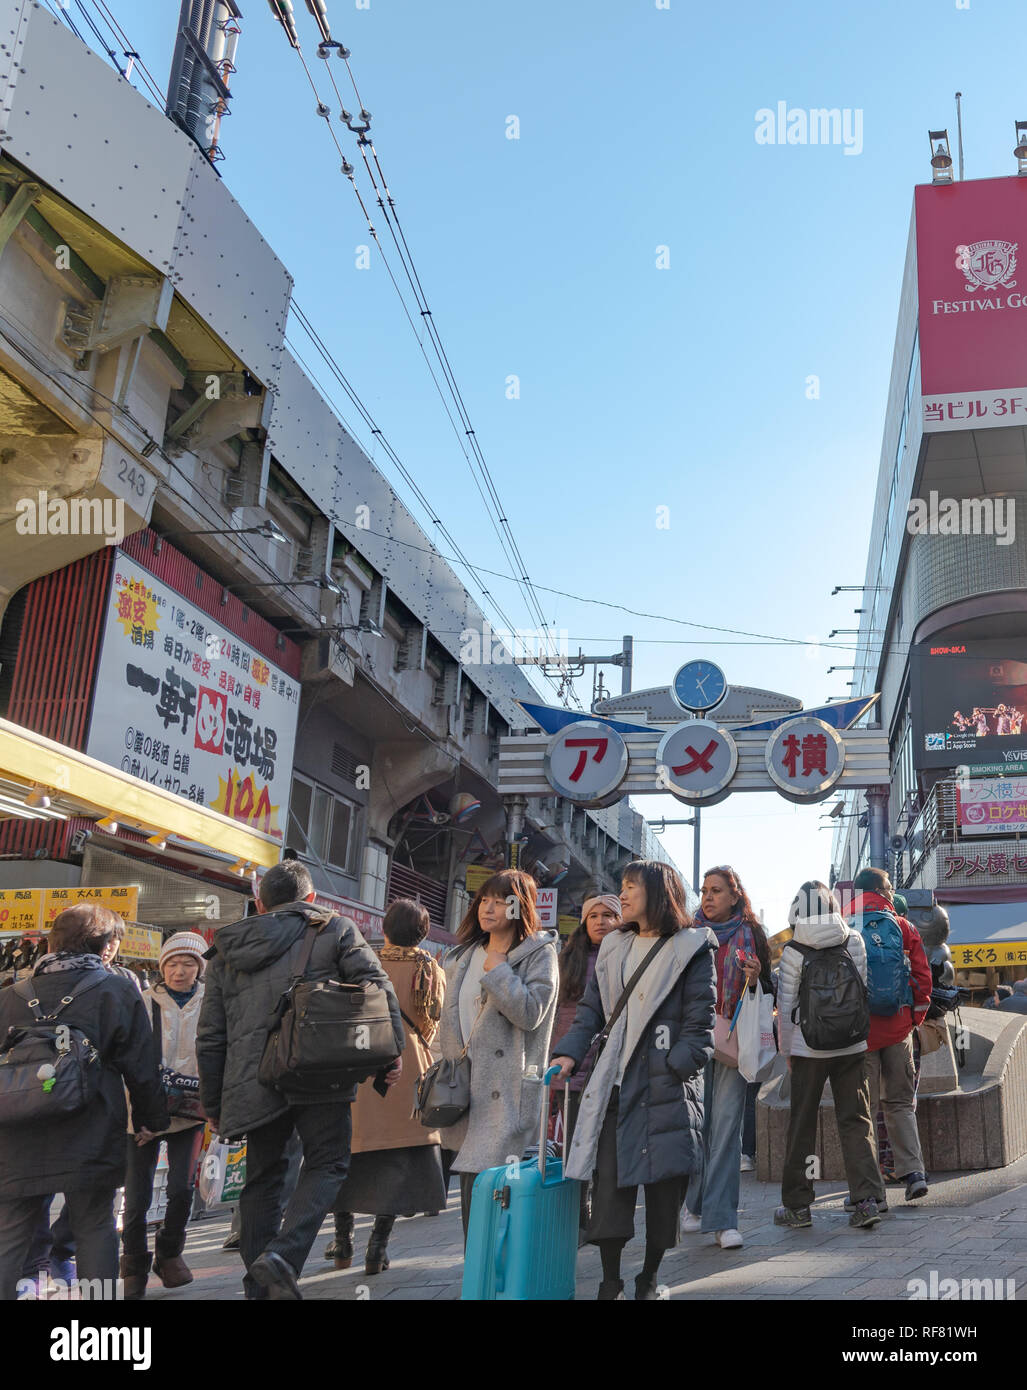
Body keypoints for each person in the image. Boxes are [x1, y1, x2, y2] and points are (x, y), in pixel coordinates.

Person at [197, 861, 404, 1300]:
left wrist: (213, 1104)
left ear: (259, 903)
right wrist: (391, 1051)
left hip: (252, 1080)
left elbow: (211, 1036)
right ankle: (283, 1258)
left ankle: (261, 1291)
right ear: (310, 899)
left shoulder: (226, 950)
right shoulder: (336, 928)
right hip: (319, 1071)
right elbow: (377, 986)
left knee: (262, 1180)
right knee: (328, 1162)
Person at [551, 859, 716, 1299]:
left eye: (630, 887)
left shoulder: (692, 947)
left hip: (666, 1089)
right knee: (609, 1187)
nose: (621, 895)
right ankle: (610, 1281)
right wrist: (568, 1054)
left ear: (659, 893)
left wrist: (675, 1065)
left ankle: (649, 1276)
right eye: (621, 886)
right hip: (616, 1086)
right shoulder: (613, 947)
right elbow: (592, 1011)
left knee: (664, 1191)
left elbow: (701, 1026)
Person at [0, 904, 167, 1301]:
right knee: (94, 1224)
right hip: (90, 1125)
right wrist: (150, 1119)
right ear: (106, 945)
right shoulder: (116, 989)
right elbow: (142, 1065)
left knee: (10, 1230)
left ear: (51, 943)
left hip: (17, 1129)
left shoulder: (10, 997)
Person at [437, 869, 559, 1242]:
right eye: (483, 899)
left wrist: (501, 971)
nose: (488, 908)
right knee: (476, 1190)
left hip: (507, 1088)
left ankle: (492, 1276)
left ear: (518, 906)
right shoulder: (461, 956)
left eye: (499, 900)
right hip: (464, 1087)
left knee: (493, 1191)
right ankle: (482, 1276)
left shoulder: (539, 954)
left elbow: (530, 1013)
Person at [327, 899, 446, 1275]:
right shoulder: (428, 967)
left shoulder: (364, 960)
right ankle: (376, 1250)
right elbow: (432, 1020)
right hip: (407, 1064)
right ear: (423, 933)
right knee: (396, 1159)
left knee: (348, 1152)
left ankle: (342, 1241)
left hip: (361, 1062)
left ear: (385, 926)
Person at [773, 882, 886, 1230]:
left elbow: (786, 1005)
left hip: (809, 1049)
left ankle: (798, 1207)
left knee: (802, 1125)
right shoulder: (853, 939)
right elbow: (862, 989)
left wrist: (788, 1051)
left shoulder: (793, 950)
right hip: (851, 1045)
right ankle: (866, 1201)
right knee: (856, 1120)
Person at [682, 865, 773, 1250]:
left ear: (735, 895)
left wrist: (754, 978)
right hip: (694, 1039)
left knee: (727, 1128)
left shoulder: (751, 933)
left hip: (735, 1041)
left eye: (717, 890)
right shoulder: (687, 934)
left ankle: (722, 1220)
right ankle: (695, 1204)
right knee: (697, 1126)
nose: (708, 897)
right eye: (704, 890)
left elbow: (767, 988)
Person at [121, 931, 209, 1299]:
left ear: (200, 968)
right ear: (161, 967)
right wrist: (137, 1114)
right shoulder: (143, 1002)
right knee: (137, 1198)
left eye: (188, 964)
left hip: (190, 1112)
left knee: (181, 1188)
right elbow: (128, 1060)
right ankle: (134, 1270)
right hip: (142, 1112)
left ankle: (169, 1252)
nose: (179, 971)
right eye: (172, 963)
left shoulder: (211, 1004)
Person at [848, 867, 932, 1203]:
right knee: (900, 1104)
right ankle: (913, 1174)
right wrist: (914, 1019)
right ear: (883, 891)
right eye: (890, 887)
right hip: (898, 1030)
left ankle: (873, 1194)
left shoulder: (844, 926)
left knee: (862, 1111)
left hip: (858, 1034)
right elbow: (923, 979)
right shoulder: (903, 926)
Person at [551, 894, 622, 1147]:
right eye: (593, 916)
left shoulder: (626, 956)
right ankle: (575, 1189)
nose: (600, 922)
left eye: (607, 915)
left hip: (611, 1061)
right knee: (573, 1144)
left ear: (619, 920)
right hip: (572, 1061)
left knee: (606, 1144)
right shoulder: (567, 959)